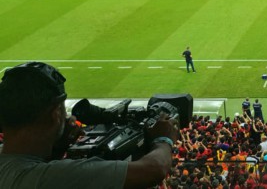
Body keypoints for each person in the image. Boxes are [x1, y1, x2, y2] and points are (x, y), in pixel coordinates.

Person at [0, 62, 180, 189]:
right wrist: (163, 139)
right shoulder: (52, 178)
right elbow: (153, 170)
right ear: (55, 114)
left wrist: (58, 146)